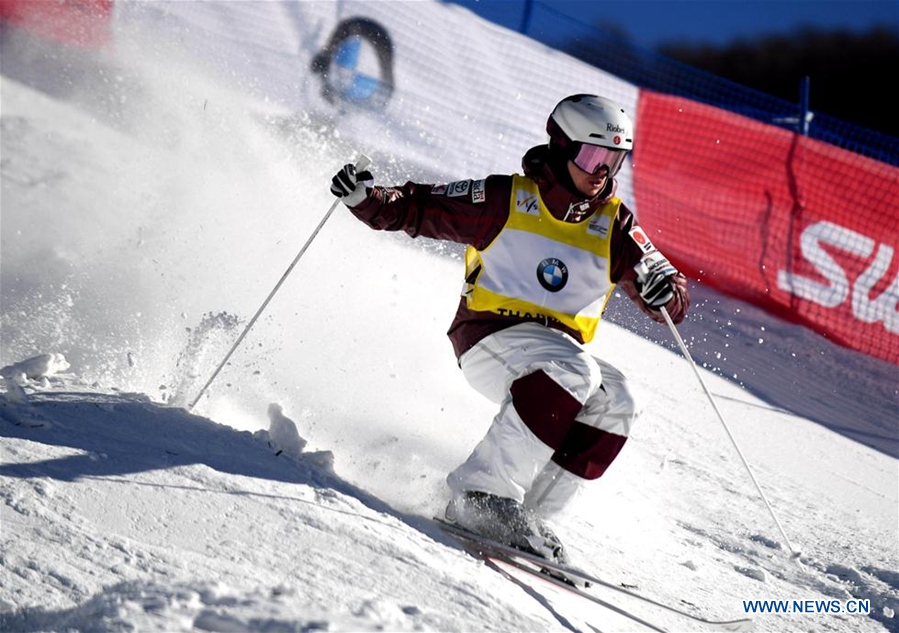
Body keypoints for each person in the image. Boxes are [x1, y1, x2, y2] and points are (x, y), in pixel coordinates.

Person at [329, 94, 689, 563]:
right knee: (576, 370)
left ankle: (528, 516)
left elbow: (664, 289)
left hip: (556, 356)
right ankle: (481, 495)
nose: (602, 171)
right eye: (592, 155)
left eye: (614, 159)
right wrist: (367, 199)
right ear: (562, 147)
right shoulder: (506, 200)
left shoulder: (615, 225)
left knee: (619, 400)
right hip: (487, 336)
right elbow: (421, 207)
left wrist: (666, 293)